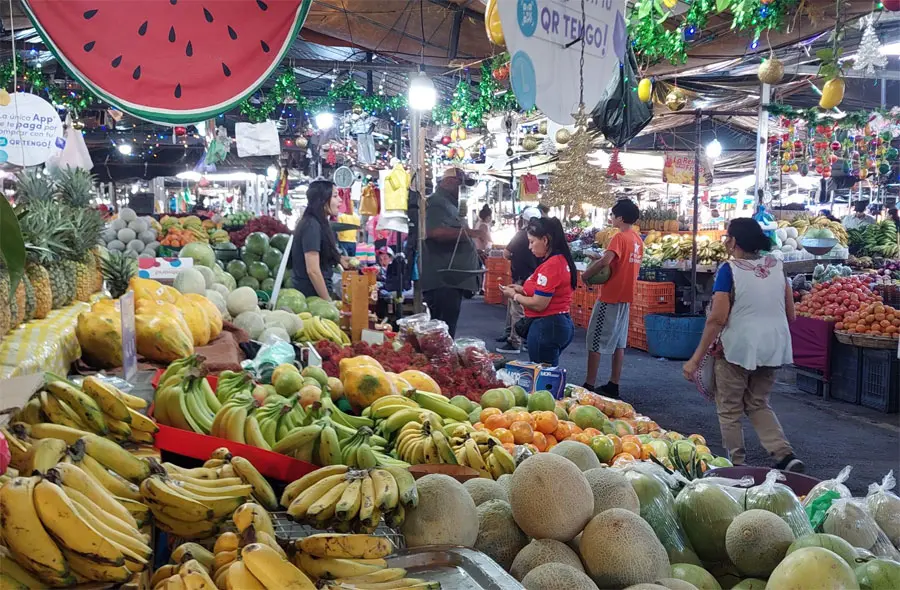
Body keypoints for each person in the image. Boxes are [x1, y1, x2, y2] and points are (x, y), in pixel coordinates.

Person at [682, 218, 803, 472]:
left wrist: (695, 359)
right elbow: (791, 314)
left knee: (729, 408)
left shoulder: (730, 270)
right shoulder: (778, 267)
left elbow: (717, 318)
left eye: (728, 237)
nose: (726, 241)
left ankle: (736, 463)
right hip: (772, 346)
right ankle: (784, 455)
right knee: (758, 402)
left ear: (734, 241)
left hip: (737, 348)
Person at [582, 199, 643, 398]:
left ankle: (589, 384)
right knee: (618, 342)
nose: (611, 219)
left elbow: (606, 261)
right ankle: (613, 383)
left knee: (595, 339)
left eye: (613, 215)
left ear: (620, 218)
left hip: (610, 295)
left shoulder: (619, 237)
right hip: (626, 296)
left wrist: (586, 274)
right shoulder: (637, 239)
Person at [499, 217, 576, 365]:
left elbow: (539, 304)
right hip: (556, 323)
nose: (529, 247)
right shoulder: (558, 260)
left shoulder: (552, 265)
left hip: (547, 326)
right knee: (547, 373)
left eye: (532, 241)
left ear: (545, 240)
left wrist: (514, 295)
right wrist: (522, 290)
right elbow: (547, 292)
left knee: (542, 376)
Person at [420, 167, 483, 338]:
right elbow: (434, 232)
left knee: (445, 329)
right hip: (443, 281)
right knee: (443, 331)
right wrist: (469, 234)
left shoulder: (450, 204)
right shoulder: (437, 202)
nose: (463, 188)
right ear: (448, 182)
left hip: (450, 281)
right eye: (460, 183)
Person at [291, 179, 347, 300]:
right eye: (335, 196)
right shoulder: (312, 225)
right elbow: (313, 270)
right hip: (311, 297)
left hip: (317, 295)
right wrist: (327, 301)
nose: (340, 200)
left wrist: (341, 259)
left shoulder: (320, 223)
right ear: (322, 200)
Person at [497, 207, 541, 353]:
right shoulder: (542, 235)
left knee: (517, 309)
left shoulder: (521, 234)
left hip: (521, 276)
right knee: (524, 308)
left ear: (524, 219)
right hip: (535, 276)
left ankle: (515, 341)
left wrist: (514, 257)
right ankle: (516, 335)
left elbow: (506, 253)